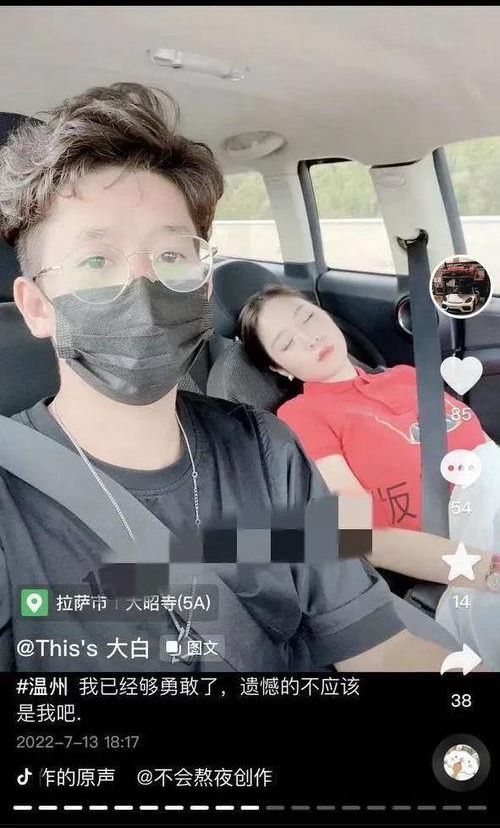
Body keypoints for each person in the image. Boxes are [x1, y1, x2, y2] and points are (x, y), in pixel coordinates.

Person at [0, 82, 467, 673]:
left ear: (202, 286)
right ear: (37, 306)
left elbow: (382, 649)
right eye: (96, 260)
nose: (143, 288)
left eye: (172, 256)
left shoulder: (268, 451)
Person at [238, 283, 500, 665]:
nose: (310, 339)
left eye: (307, 317)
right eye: (287, 344)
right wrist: (486, 569)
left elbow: (484, 448)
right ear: (280, 368)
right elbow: (359, 536)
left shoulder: (405, 376)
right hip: (465, 541)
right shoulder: (301, 416)